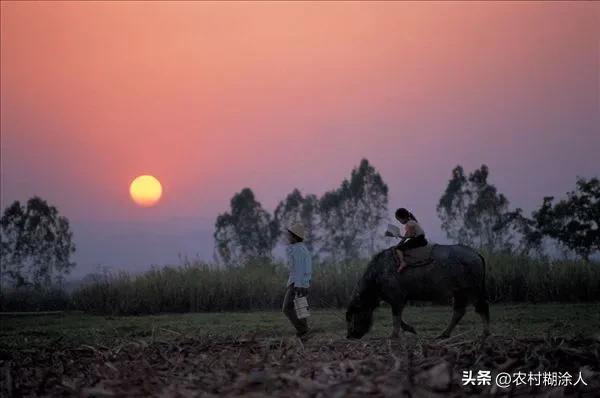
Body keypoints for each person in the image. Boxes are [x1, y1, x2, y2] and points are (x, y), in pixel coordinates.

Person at [282, 222, 313, 339]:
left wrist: (299, 285)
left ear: (295, 237)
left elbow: (299, 269)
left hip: (296, 283)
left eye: (289, 236)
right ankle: (305, 332)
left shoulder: (296, 250)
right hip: (303, 282)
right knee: (301, 308)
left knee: (286, 308)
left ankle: (303, 330)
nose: (288, 238)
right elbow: (306, 268)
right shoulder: (303, 249)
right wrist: (305, 283)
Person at [393, 208, 428, 273]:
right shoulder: (412, 221)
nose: (400, 222)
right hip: (421, 238)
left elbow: (411, 235)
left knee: (398, 249)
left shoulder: (409, 224)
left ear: (403, 218)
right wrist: (402, 239)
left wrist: (400, 236)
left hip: (417, 239)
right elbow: (407, 236)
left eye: (399, 220)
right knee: (403, 246)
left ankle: (403, 262)